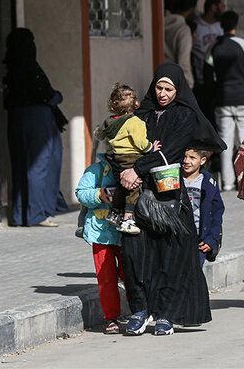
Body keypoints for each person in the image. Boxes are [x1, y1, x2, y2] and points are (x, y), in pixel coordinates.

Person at [118, 63, 226, 336]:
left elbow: (174, 151)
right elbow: (125, 145)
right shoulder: (141, 114)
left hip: (170, 198)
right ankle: (140, 310)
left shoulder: (184, 115)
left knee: (170, 256)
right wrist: (127, 169)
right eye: (159, 88)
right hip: (138, 196)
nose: (163, 94)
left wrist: (137, 169)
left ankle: (166, 314)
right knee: (134, 255)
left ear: (178, 90)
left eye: (169, 89)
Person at [4, 28, 68, 227]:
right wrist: (57, 96)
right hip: (38, 120)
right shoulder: (31, 68)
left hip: (17, 119)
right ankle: (37, 214)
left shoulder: (10, 69)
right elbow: (47, 95)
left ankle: (21, 214)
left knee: (22, 165)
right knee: (39, 165)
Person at [204, 10, 244, 191]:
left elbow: (207, 78)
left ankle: (228, 183)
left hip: (223, 99)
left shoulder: (213, 48)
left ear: (221, 25)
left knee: (225, 141)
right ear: (236, 25)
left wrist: (215, 95)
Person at [95, 83, 160, 235]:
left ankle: (114, 212)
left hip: (117, 158)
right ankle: (128, 220)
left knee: (121, 186)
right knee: (133, 188)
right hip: (132, 157)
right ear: (136, 104)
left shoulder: (109, 121)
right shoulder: (135, 122)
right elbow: (140, 142)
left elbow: (100, 134)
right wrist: (151, 148)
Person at [75, 153, 125, 334]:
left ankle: (139, 312)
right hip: (100, 233)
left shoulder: (136, 167)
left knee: (132, 276)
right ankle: (111, 317)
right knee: (106, 278)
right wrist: (98, 194)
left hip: (127, 233)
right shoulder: (96, 170)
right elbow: (81, 193)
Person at [182, 148, 225, 267]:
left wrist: (212, 238)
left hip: (199, 242)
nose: (186, 161)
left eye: (192, 158)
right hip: (178, 241)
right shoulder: (175, 180)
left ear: (202, 160)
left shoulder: (209, 183)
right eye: (184, 157)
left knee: (194, 277)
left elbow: (217, 214)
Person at [192, 0, 225, 125]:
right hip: (201, 79)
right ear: (213, 7)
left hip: (219, 79)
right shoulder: (197, 27)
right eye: (222, 6)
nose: (224, 10)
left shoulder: (221, 27)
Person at [164, 0, 198, 88]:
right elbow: (183, 61)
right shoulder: (183, 30)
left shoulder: (160, 22)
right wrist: (188, 84)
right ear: (192, 9)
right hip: (173, 81)